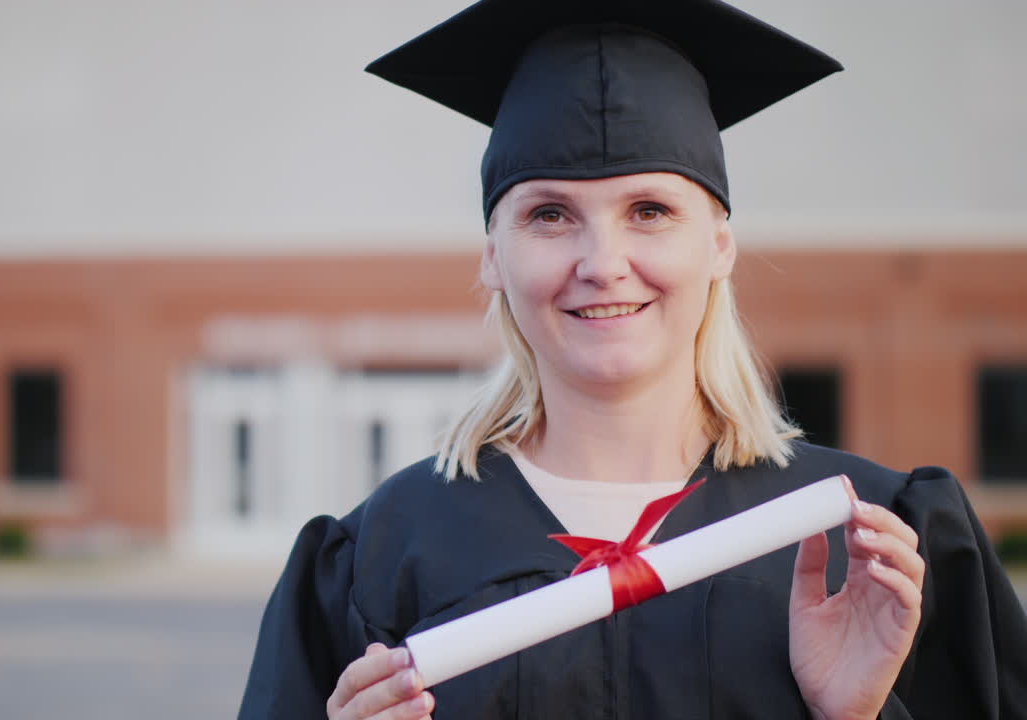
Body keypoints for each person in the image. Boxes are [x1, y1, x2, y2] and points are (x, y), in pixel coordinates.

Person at [238, 1, 1027, 718]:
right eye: (550, 215)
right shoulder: (379, 561)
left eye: (650, 211)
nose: (603, 261)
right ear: (491, 257)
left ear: (719, 247)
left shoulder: (869, 545)